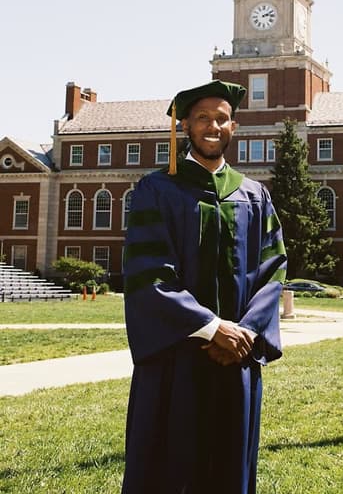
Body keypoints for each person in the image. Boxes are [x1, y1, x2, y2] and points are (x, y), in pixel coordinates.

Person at [121, 80, 287, 494]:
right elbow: (148, 274)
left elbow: (274, 270)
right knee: (169, 468)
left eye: (222, 118)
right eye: (202, 118)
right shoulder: (157, 191)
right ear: (186, 127)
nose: (213, 126)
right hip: (178, 358)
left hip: (237, 360)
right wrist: (213, 328)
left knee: (230, 467)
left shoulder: (254, 196)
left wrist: (244, 334)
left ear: (234, 127)